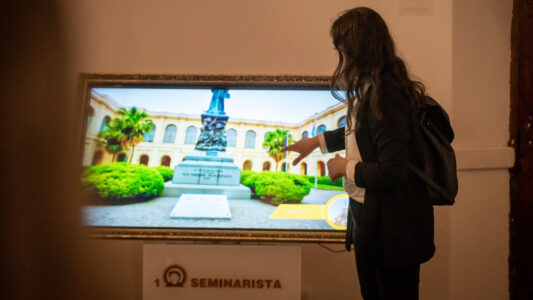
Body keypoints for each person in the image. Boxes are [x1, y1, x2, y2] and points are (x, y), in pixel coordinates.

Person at [283, 7, 434, 300]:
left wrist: (346, 167)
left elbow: (393, 170)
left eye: (340, 48)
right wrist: (315, 142)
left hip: (393, 231)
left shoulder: (387, 97)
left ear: (356, 50)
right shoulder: (372, 90)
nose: (338, 56)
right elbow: (360, 134)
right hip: (373, 221)